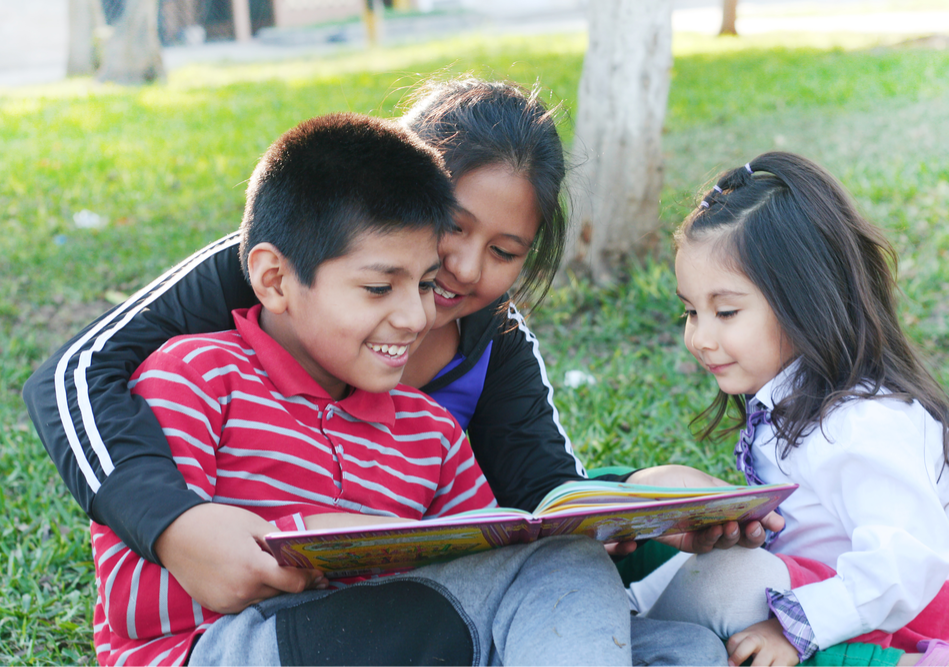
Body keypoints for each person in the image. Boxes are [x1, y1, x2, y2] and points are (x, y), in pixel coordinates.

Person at [23, 76, 774, 625]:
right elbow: (75, 374)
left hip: (428, 561)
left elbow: (542, 489)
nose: (467, 269)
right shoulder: (274, 267)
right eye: (452, 226)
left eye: (506, 250)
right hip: (268, 563)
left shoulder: (494, 339)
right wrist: (173, 523)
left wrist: (652, 506)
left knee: (610, 549)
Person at [92, 111, 644, 666]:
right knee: (556, 564)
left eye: (426, 283)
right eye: (380, 287)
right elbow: (135, 605)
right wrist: (315, 542)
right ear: (276, 280)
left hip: (390, 638)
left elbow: (482, 572)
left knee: (670, 641)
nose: (414, 316)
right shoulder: (193, 377)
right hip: (228, 649)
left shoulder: (433, 433)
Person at [628, 151, 949, 666]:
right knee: (706, 543)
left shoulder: (865, 422)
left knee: (729, 578)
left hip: (918, 612)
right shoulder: (789, 398)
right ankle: (632, 613)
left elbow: (901, 567)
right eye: (691, 311)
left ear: (804, 299)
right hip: (831, 578)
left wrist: (794, 628)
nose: (700, 337)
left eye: (726, 311)